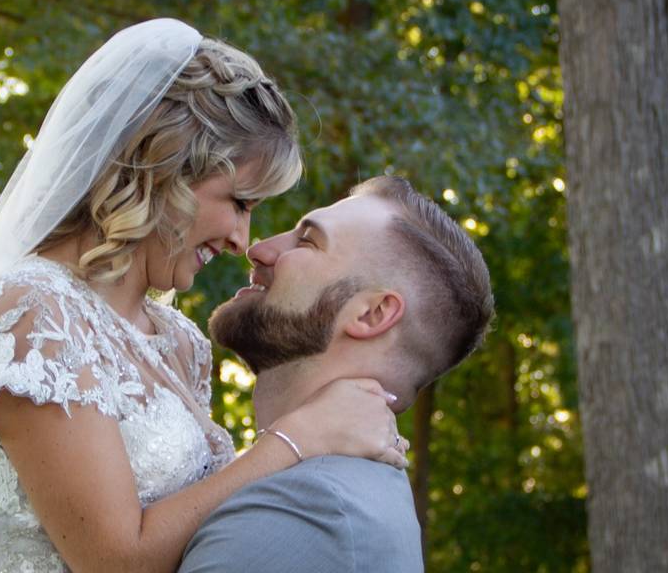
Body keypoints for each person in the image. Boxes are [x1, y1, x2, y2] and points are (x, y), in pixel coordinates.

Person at [0, 19, 408, 573]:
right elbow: (117, 560)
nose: (241, 240)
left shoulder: (181, 343)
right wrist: (301, 435)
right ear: (165, 170)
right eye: (237, 202)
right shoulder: (35, 315)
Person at [179, 175, 495, 573]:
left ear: (372, 314)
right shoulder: (343, 491)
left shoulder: (305, 513)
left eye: (307, 241)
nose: (258, 249)